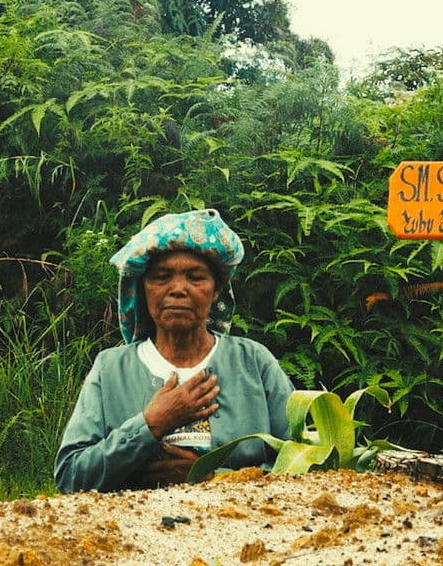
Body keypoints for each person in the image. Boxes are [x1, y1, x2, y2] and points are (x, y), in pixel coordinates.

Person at [55, 209, 293, 492]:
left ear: (216, 290)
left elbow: (307, 464)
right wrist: (151, 424)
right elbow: (70, 476)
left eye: (195, 277)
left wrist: (211, 478)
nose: (178, 288)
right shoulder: (111, 370)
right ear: (143, 287)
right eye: (162, 276)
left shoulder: (253, 362)